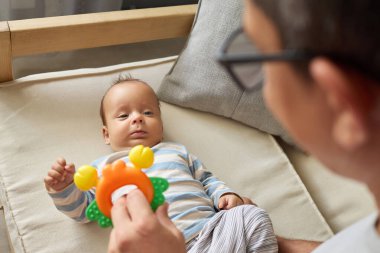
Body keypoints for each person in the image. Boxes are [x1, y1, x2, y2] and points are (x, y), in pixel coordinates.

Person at [106, 0, 380, 252]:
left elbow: (206, 180)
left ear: (339, 99)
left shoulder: (175, 152)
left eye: (257, 60)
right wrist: (252, 239)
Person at [44, 78, 278, 252]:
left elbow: (206, 180)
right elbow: (83, 210)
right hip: (157, 246)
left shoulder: (177, 151)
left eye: (147, 112)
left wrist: (225, 194)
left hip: (212, 233)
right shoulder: (104, 168)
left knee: (252, 214)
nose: (137, 118)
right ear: (106, 134)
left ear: (161, 127)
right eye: (123, 116)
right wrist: (64, 188)